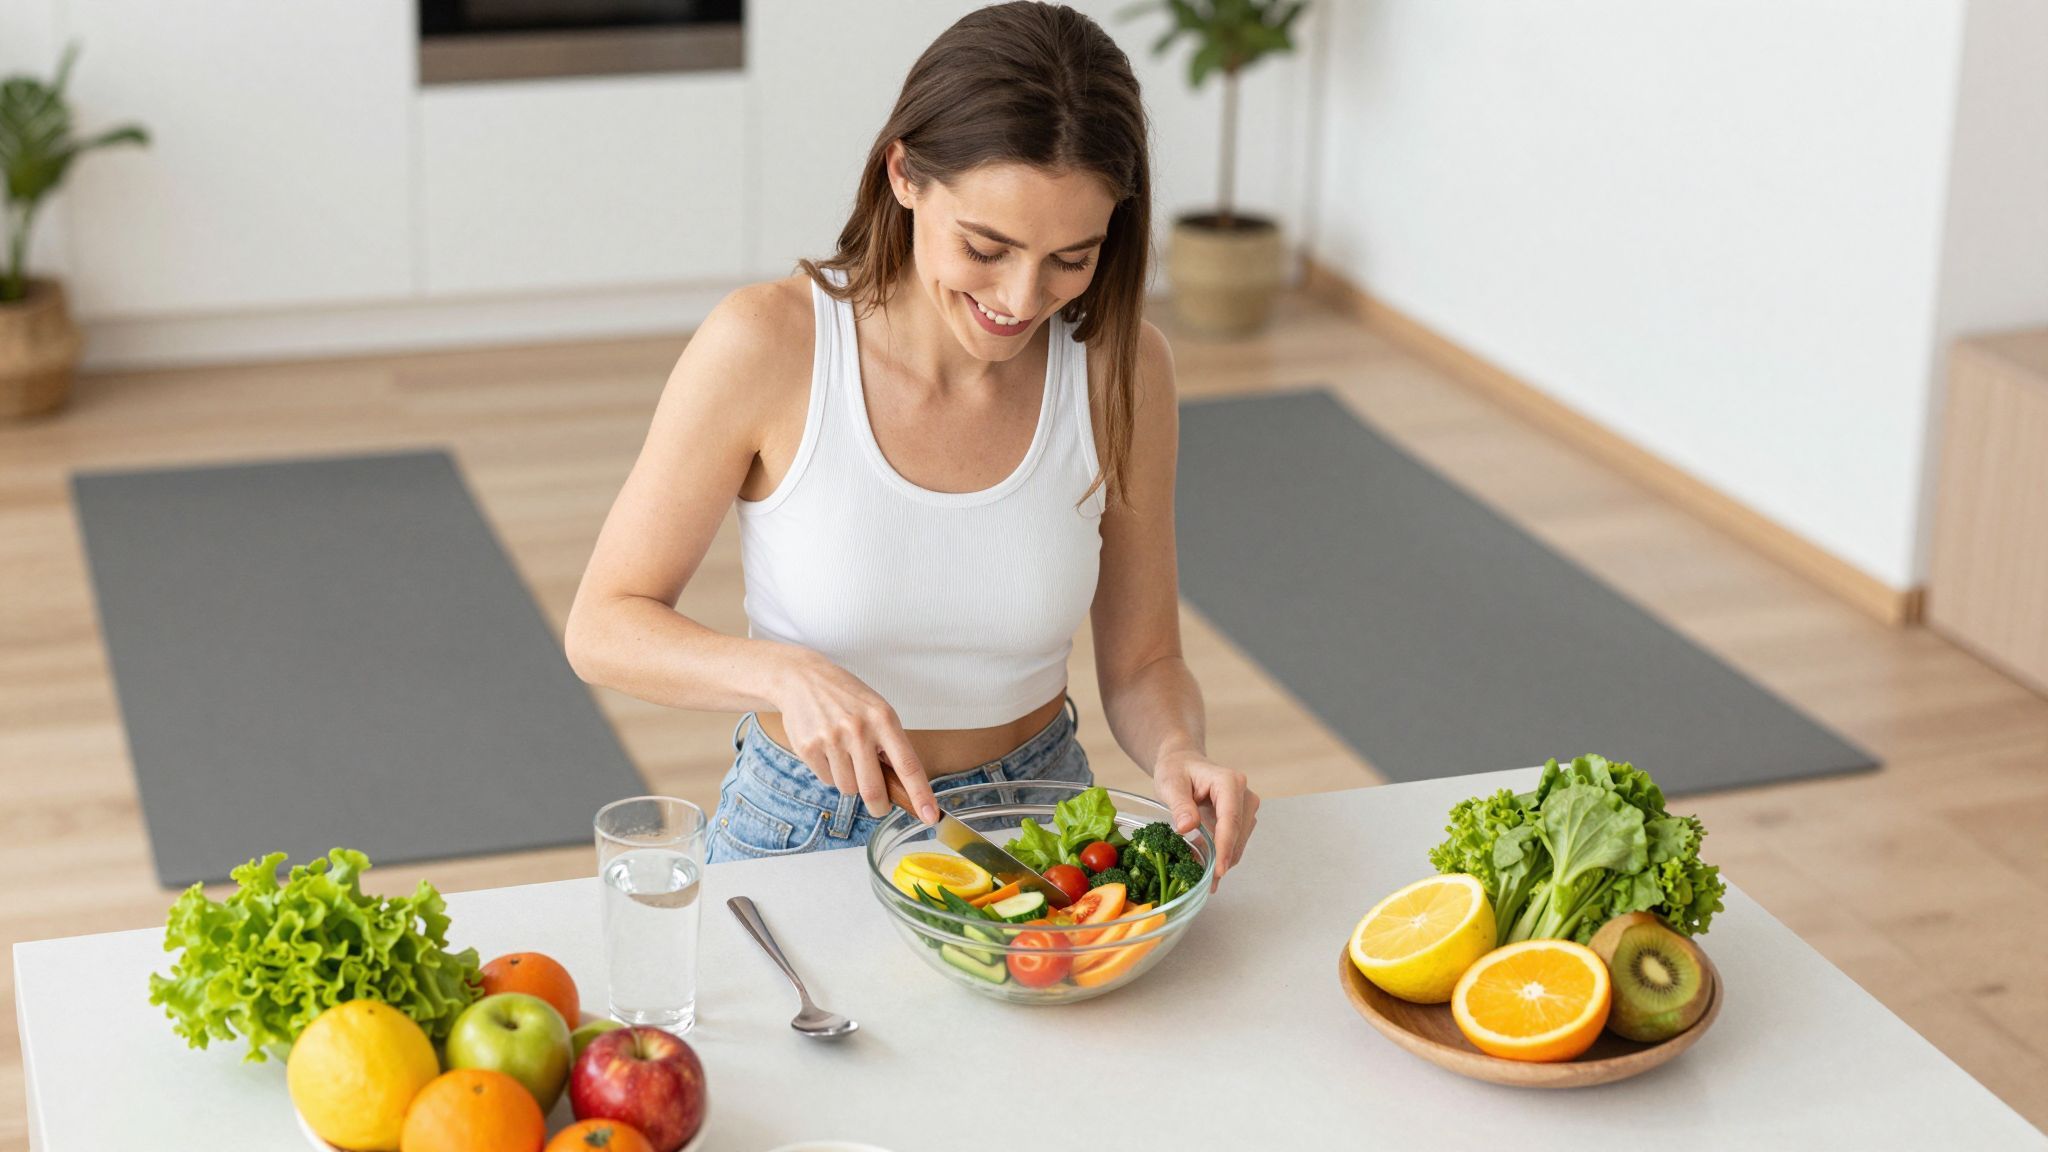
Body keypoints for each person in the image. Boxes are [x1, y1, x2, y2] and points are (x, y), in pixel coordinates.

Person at [565, 2, 1258, 877]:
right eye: (985, 246)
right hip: (811, 825)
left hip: (1041, 821)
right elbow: (604, 625)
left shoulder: (1123, 369)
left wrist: (1176, 752)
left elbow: (1144, 658)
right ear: (903, 174)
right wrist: (782, 675)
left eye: (1070, 259)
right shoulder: (768, 345)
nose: (1019, 297)